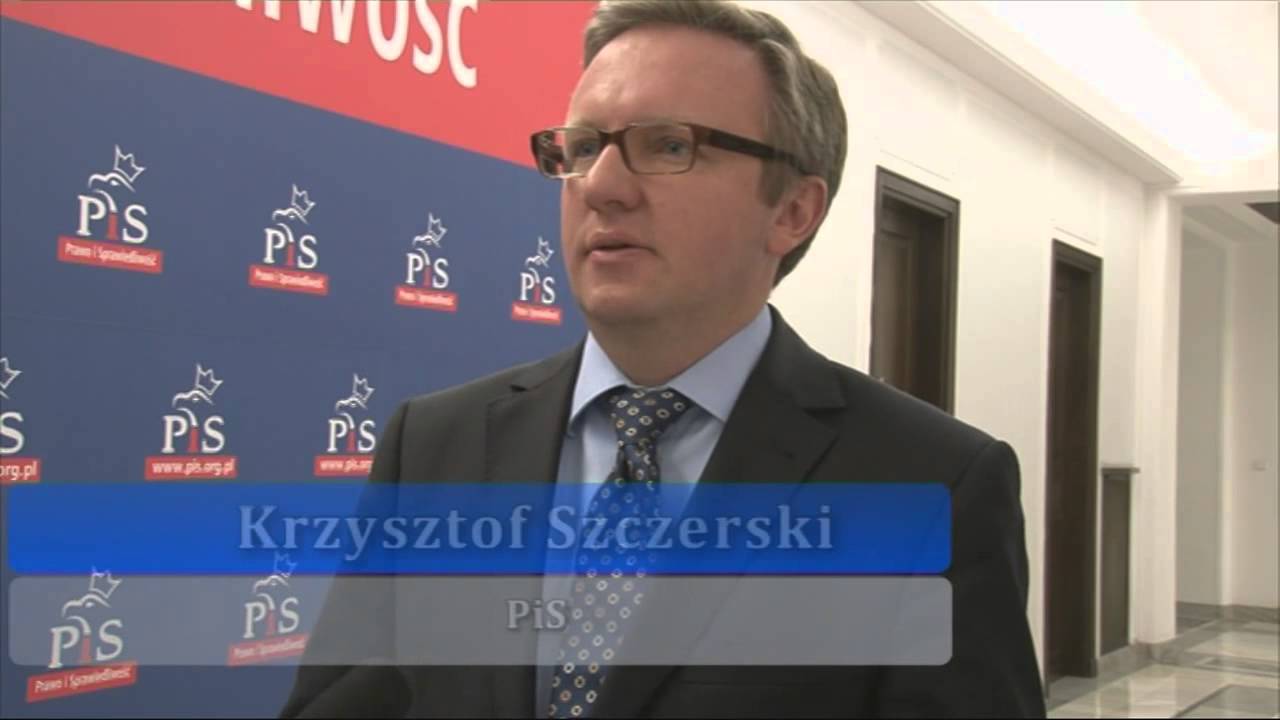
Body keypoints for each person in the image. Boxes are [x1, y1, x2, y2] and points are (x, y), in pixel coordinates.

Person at [282, 1, 1045, 717]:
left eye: (670, 146)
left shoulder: (932, 484)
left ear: (792, 211)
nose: (602, 186)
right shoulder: (434, 445)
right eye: (584, 148)